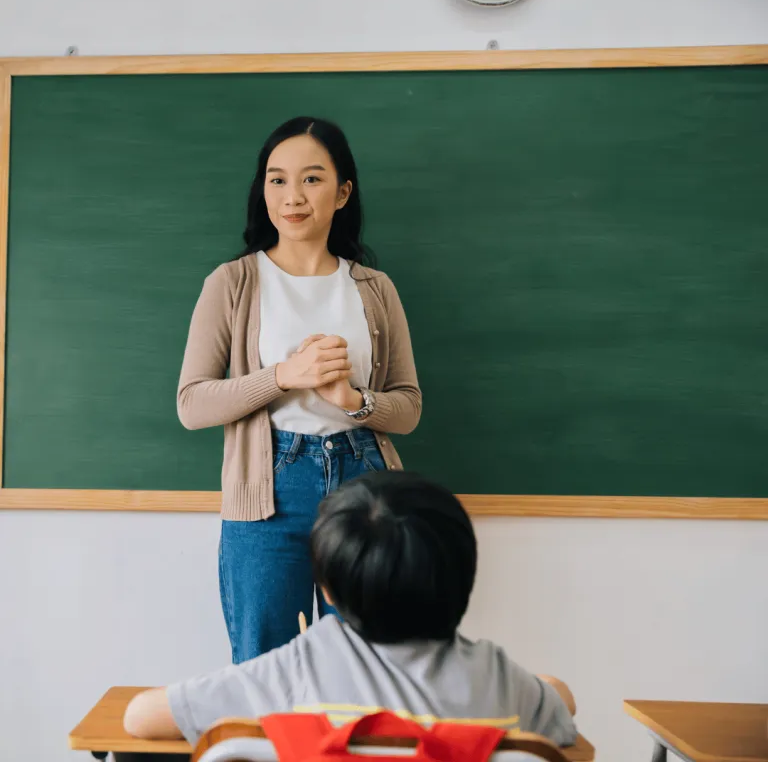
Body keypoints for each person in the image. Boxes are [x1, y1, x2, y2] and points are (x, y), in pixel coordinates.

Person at [176, 117, 421, 663]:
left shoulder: (375, 289)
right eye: (276, 179)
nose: (292, 196)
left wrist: (353, 402)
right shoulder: (232, 283)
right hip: (268, 494)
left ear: (343, 192)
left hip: (366, 489)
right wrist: (284, 376)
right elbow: (192, 403)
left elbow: (408, 408)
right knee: (264, 668)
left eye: (311, 179)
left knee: (366, 668)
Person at [123, 472, 578, 748]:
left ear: (328, 591)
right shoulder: (497, 679)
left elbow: (140, 718)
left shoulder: (299, 668)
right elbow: (562, 705)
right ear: (464, 576)